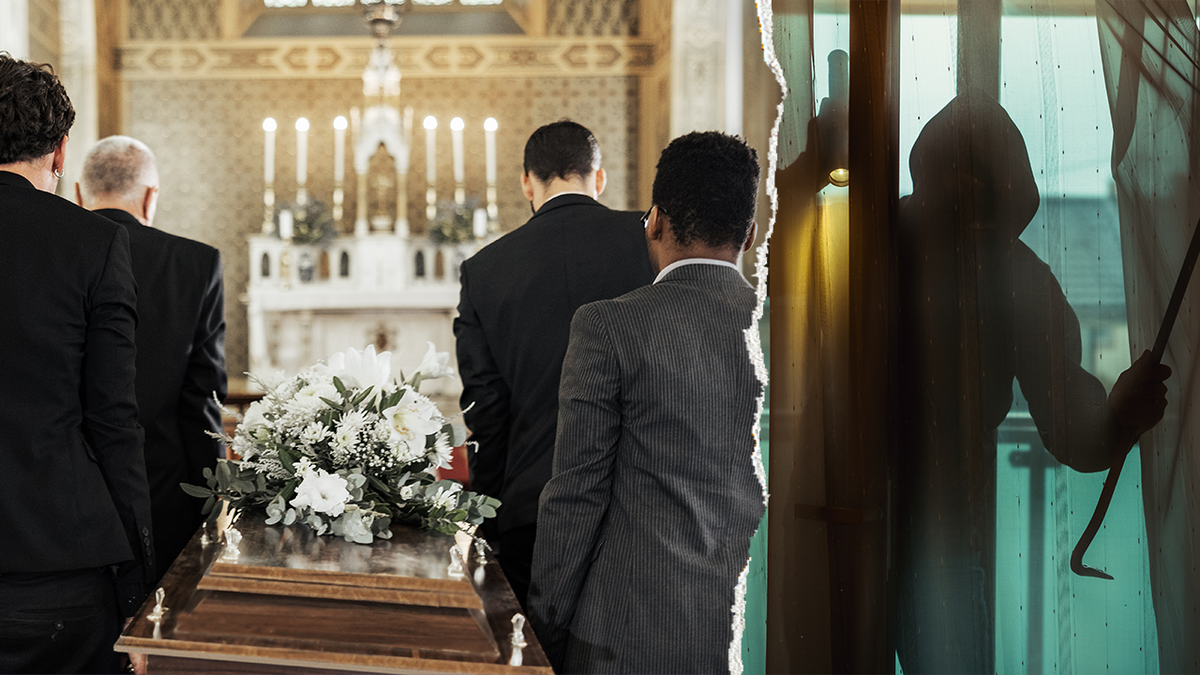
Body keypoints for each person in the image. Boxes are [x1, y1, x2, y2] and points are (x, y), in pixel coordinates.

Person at [895, 90, 1171, 673]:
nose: (963, 202)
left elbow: (1071, 423)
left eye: (977, 190)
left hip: (941, 520)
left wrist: (1118, 413)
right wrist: (1114, 417)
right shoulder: (872, 246)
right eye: (955, 182)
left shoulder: (1014, 275)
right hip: (872, 509)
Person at [528, 131, 766, 674]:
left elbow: (575, 494)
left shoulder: (607, 326)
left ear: (654, 221)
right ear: (749, 235)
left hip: (628, 631)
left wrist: (545, 625)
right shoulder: (794, 329)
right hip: (758, 624)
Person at [454, 119, 654, 610]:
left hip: (531, 503)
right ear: (598, 176)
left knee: (539, 651)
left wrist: (491, 516)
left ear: (527, 181)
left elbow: (486, 409)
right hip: (640, 496)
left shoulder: (485, 269)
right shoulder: (649, 240)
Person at [0, 53, 153, 673]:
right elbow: (113, 420)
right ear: (61, 152)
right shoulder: (94, 242)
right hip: (55, 559)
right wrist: (140, 582)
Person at [76, 135, 227, 583]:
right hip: (163, 487)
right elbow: (203, 397)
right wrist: (212, 499)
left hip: (65, 490)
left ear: (80, 193)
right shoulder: (195, 262)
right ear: (150, 195)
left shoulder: (59, 253)